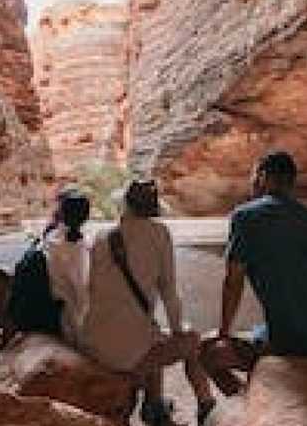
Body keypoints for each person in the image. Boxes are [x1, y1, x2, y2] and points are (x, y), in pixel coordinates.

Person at [214, 150, 307, 383]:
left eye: (253, 176)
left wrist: (223, 333)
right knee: (261, 331)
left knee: (207, 352)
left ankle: (243, 402)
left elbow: (233, 281)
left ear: (262, 177)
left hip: (296, 343)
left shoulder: (246, 217)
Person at [80, 179, 216, 426]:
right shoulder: (159, 233)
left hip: (94, 342)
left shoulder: (101, 237)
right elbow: (169, 292)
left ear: (126, 204)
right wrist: (178, 332)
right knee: (190, 340)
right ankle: (206, 404)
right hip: (125, 353)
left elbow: (91, 289)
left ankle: (155, 405)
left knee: (151, 333)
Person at [43, 187, 92, 346]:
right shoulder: (74, 248)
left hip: (53, 308)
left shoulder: (51, 238)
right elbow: (81, 291)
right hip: (68, 318)